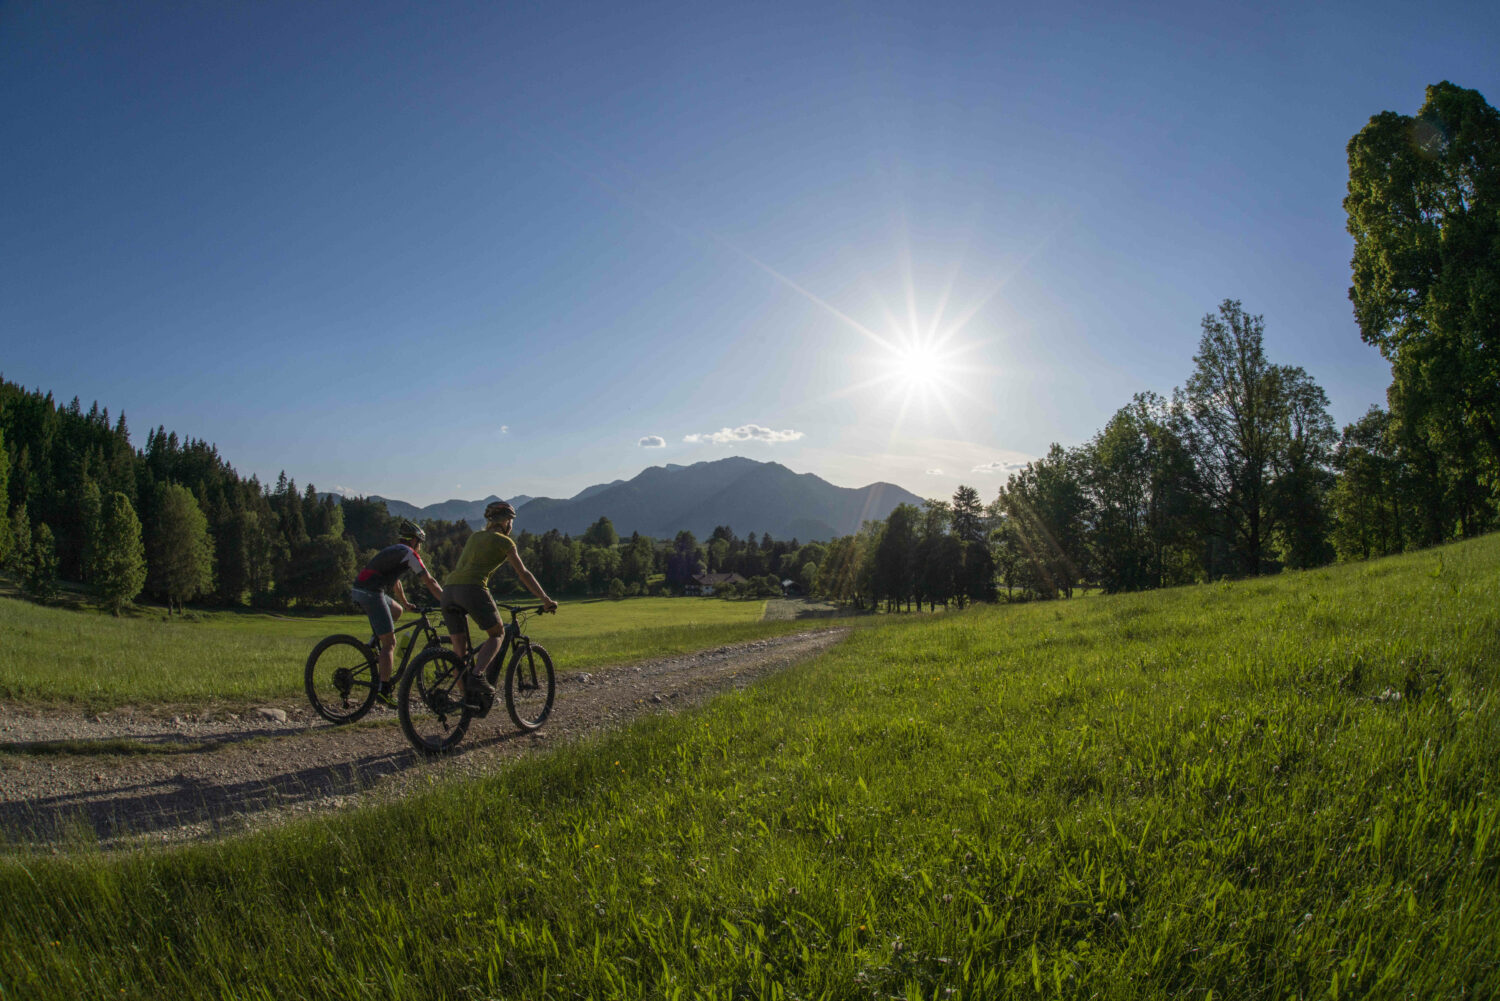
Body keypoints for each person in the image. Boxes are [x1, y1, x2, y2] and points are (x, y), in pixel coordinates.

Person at [441, 500, 557, 703]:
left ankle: (466, 700)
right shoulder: (505, 542)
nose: (511, 526)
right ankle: (477, 676)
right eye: (511, 521)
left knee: (459, 649)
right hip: (472, 589)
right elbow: (524, 573)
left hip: (448, 591)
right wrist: (545, 599)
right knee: (497, 633)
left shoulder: (475, 537)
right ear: (506, 522)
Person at [349, 520, 445, 703]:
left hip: (363, 590)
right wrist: (446, 601)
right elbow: (429, 581)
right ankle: (384, 690)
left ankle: (372, 646)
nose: (420, 547)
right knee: (390, 643)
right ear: (414, 541)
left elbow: (395, 582)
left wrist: (406, 603)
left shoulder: (395, 551)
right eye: (419, 543)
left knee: (397, 611)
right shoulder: (409, 554)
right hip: (370, 593)